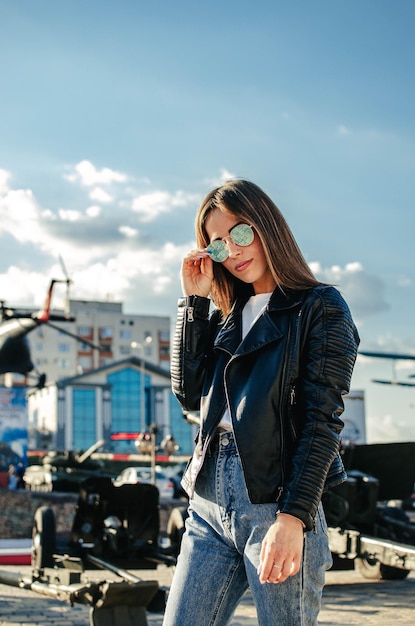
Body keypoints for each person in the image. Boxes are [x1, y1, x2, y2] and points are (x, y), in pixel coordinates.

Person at [164, 179, 359, 626]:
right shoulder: (227, 317)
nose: (231, 250)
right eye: (216, 244)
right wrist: (193, 303)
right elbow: (189, 392)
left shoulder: (320, 306)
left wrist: (294, 518)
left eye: (240, 232)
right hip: (208, 501)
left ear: (266, 224)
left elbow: (321, 421)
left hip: (277, 502)